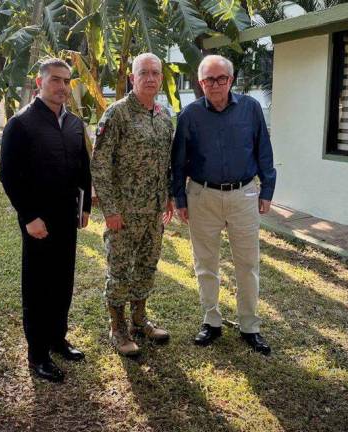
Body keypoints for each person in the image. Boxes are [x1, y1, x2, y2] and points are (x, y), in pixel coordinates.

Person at [172, 55, 276, 355]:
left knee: (247, 263)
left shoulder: (250, 108)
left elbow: (263, 150)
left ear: (231, 80)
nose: (215, 85)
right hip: (202, 196)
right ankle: (211, 321)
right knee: (206, 263)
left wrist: (267, 189)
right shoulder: (189, 115)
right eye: (208, 80)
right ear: (200, 83)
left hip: (243, 194)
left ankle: (249, 326)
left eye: (221, 78)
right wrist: (180, 198)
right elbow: (178, 162)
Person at [0, 58, 92, 382]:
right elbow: (9, 175)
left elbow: (83, 168)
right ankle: (37, 353)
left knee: (63, 281)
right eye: (55, 80)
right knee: (38, 287)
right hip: (38, 221)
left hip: (67, 217)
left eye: (67, 81)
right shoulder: (21, 124)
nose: (62, 87)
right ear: (39, 83)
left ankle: (57, 339)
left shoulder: (75, 124)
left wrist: (85, 208)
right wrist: (29, 217)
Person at [91, 53, 174, 357]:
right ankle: (118, 328)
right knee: (120, 269)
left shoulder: (165, 117)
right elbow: (99, 165)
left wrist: (167, 198)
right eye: (144, 73)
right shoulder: (117, 114)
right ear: (132, 78)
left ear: (161, 78)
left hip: (153, 212)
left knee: (146, 266)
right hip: (123, 214)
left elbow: (166, 163)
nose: (150, 78)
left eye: (155, 73)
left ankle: (140, 320)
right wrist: (110, 209)